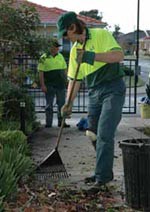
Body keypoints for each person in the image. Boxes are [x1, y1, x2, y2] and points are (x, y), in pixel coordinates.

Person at [57, 12, 126, 192]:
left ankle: (102, 178)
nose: (67, 39)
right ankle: (104, 169)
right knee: (91, 133)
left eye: (66, 35)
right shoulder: (74, 51)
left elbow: (118, 56)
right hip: (95, 92)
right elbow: (74, 80)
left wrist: (90, 56)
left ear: (73, 27)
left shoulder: (100, 35)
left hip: (113, 88)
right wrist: (68, 104)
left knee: (104, 133)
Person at [37, 38, 70, 128]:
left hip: (60, 84)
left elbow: (64, 69)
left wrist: (67, 81)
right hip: (49, 85)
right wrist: (42, 85)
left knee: (62, 104)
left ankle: (62, 123)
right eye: (56, 47)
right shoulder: (43, 57)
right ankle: (48, 123)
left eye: (58, 47)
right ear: (51, 47)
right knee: (49, 105)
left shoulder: (60, 56)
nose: (57, 49)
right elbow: (41, 72)